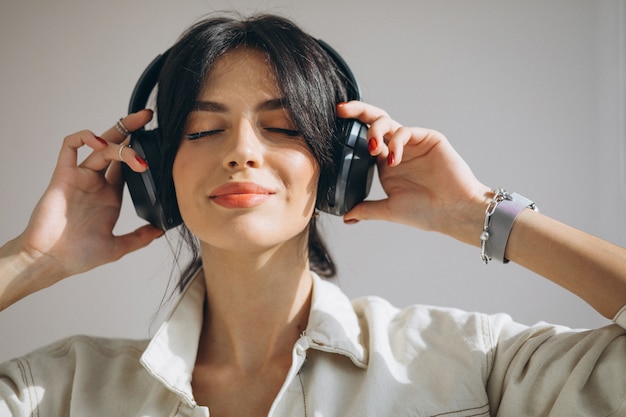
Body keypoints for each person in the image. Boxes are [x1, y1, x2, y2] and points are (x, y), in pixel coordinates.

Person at [0, 12, 625, 417]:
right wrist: (33, 259)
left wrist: (475, 214)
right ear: (156, 172)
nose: (243, 152)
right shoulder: (57, 392)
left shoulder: (468, 362)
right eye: (203, 130)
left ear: (339, 165)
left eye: (282, 128)